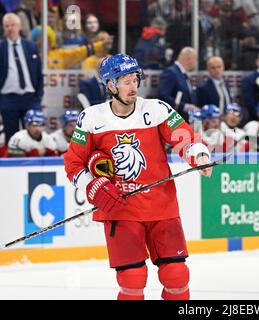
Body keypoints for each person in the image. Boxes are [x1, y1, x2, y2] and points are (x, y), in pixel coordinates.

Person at [64, 53, 212, 300]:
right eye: (125, 81)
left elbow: (185, 138)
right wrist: (94, 187)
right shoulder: (91, 118)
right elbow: (73, 164)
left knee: (176, 275)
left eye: (135, 80)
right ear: (110, 85)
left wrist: (199, 155)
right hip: (121, 211)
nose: (133, 87)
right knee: (132, 279)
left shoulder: (156, 109)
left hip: (161, 207)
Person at [0, 13, 43, 145]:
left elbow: (38, 72)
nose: (10, 28)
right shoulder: (1, 48)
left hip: (30, 98)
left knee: (33, 135)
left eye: (13, 25)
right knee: (12, 137)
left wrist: (39, 95)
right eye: (7, 26)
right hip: (8, 98)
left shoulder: (30, 46)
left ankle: (35, 162)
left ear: (19, 26)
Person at [157, 47, 200, 121]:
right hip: (173, 120)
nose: (196, 62)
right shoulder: (171, 72)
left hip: (184, 120)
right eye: (196, 59)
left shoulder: (182, 73)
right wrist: (184, 106)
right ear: (189, 58)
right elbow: (162, 96)